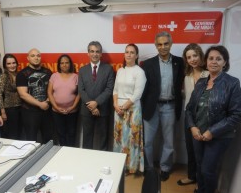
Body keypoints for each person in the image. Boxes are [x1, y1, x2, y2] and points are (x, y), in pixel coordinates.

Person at [184, 45, 241, 193]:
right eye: (211, 58)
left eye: (218, 59)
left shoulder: (232, 83)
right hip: (198, 133)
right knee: (199, 166)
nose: (214, 62)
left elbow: (236, 115)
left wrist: (213, 131)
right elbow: (189, 109)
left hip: (219, 137)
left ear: (225, 62)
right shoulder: (202, 82)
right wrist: (193, 127)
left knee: (207, 169)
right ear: (206, 61)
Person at [141, 31, 184, 181]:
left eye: (166, 43)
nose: (163, 47)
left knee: (169, 141)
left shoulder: (180, 62)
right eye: (159, 44)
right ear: (155, 46)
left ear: (171, 44)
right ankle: (149, 168)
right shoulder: (148, 64)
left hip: (170, 107)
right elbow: (144, 89)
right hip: (151, 107)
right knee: (147, 141)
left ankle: (165, 168)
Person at [177, 43, 209, 186]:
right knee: (190, 148)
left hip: (204, 117)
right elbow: (188, 95)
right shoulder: (187, 75)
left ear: (200, 56)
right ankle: (191, 176)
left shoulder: (208, 74)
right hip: (188, 116)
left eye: (195, 56)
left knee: (201, 152)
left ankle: (202, 182)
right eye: (189, 57)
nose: (192, 59)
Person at [113, 44, 146, 175]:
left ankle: (130, 167)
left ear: (136, 55)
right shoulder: (120, 71)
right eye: (127, 52)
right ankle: (120, 165)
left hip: (132, 110)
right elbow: (115, 90)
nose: (129, 54)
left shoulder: (139, 72)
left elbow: (137, 94)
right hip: (118, 110)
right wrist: (116, 105)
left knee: (130, 139)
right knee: (119, 139)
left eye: (132, 52)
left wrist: (123, 107)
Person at [78, 41, 115, 150]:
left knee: (103, 139)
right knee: (87, 139)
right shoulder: (82, 70)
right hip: (86, 110)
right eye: (92, 51)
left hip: (103, 109)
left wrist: (96, 103)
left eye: (97, 51)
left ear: (101, 54)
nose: (95, 54)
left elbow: (109, 89)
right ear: (88, 53)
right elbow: (81, 90)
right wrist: (92, 106)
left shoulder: (108, 69)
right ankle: (87, 162)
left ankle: (103, 161)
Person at [16, 48, 54, 144]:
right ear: (28, 58)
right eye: (33, 56)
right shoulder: (22, 74)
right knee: (31, 140)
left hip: (46, 110)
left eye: (38, 55)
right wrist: (40, 104)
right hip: (30, 112)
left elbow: (53, 89)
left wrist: (48, 101)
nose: (36, 58)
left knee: (48, 139)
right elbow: (23, 94)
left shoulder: (48, 72)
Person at [48, 54, 80, 147]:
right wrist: (56, 107)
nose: (64, 65)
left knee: (71, 134)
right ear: (59, 65)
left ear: (70, 64)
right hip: (56, 111)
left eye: (66, 62)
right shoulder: (54, 76)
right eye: (62, 63)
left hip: (72, 111)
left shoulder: (75, 76)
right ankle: (62, 153)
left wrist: (73, 107)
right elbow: (49, 92)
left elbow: (79, 93)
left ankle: (71, 154)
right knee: (61, 134)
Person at [0, 54, 22, 140]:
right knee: (13, 134)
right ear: (5, 65)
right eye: (9, 63)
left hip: (21, 107)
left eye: (14, 63)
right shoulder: (4, 77)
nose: (12, 65)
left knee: (21, 132)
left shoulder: (19, 75)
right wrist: (2, 111)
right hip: (10, 109)